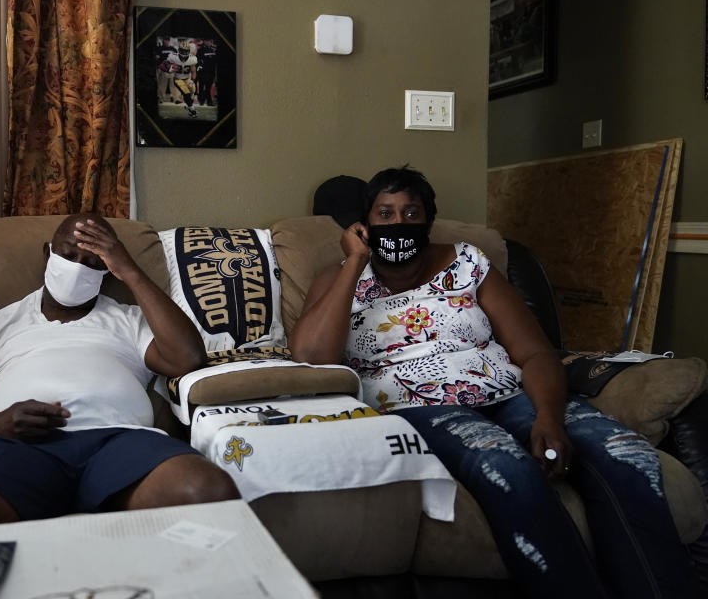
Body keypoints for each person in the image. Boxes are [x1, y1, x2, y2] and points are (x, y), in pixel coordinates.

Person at [289, 167, 695, 598]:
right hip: (420, 405)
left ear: (428, 219)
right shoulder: (338, 280)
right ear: (364, 225)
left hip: (510, 392)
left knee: (630, 457)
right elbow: (311, 359)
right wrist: (355, 262)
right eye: (384, 214)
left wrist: (549, 417)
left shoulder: (468, 263)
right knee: (506, 466)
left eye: (411, 213)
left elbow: (536, 352)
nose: (398, 224)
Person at [0, 214, 239, 531]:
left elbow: (188, 358)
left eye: (94, 261)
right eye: (68, 254)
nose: (79, 267)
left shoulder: (130, 319)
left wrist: (130, 271)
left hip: (119, 441)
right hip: (14, 445)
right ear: (47, 254)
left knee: (207, 491)